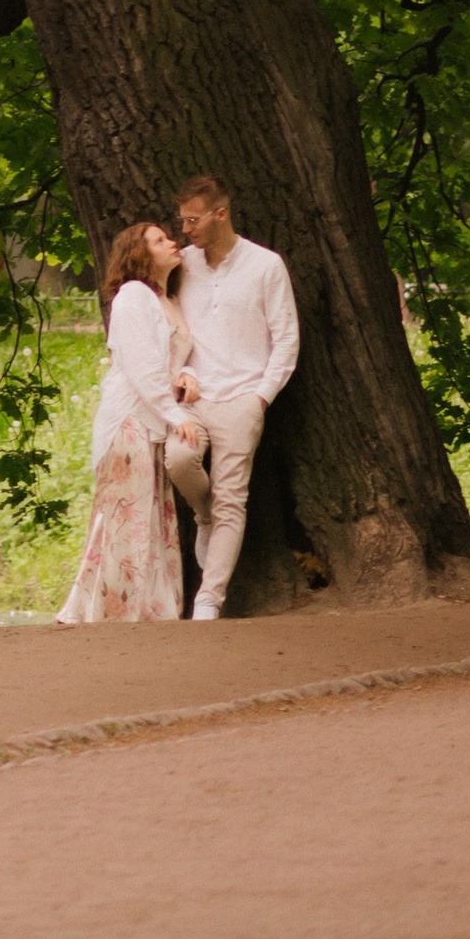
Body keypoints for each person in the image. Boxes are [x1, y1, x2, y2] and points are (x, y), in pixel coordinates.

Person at [58, 221, 208, 624]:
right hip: (128, 420)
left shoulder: (166, 299)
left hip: (150, 421)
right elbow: (142, 367)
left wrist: (188, 374)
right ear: (140, 255)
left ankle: (148, 609)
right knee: (127, 518)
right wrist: (176, 415)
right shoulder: (132, 296)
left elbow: (174, 358)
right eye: (160, 240)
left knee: (149, 515)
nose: (172, 243)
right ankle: (117, 613)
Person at [171, 171, 301, 621]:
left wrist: (260, 397)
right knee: (178, 461)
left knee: (232, 498)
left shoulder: (265, 266)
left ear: (220, 214)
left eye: (193, 220)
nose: (185, 229)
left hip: (243, 398)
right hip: (193, 399)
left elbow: (286, 338)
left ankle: (208, 600)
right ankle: (202, 515)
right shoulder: (184, 265)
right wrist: (183, 372)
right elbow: (170, 328)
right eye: (183, 220)